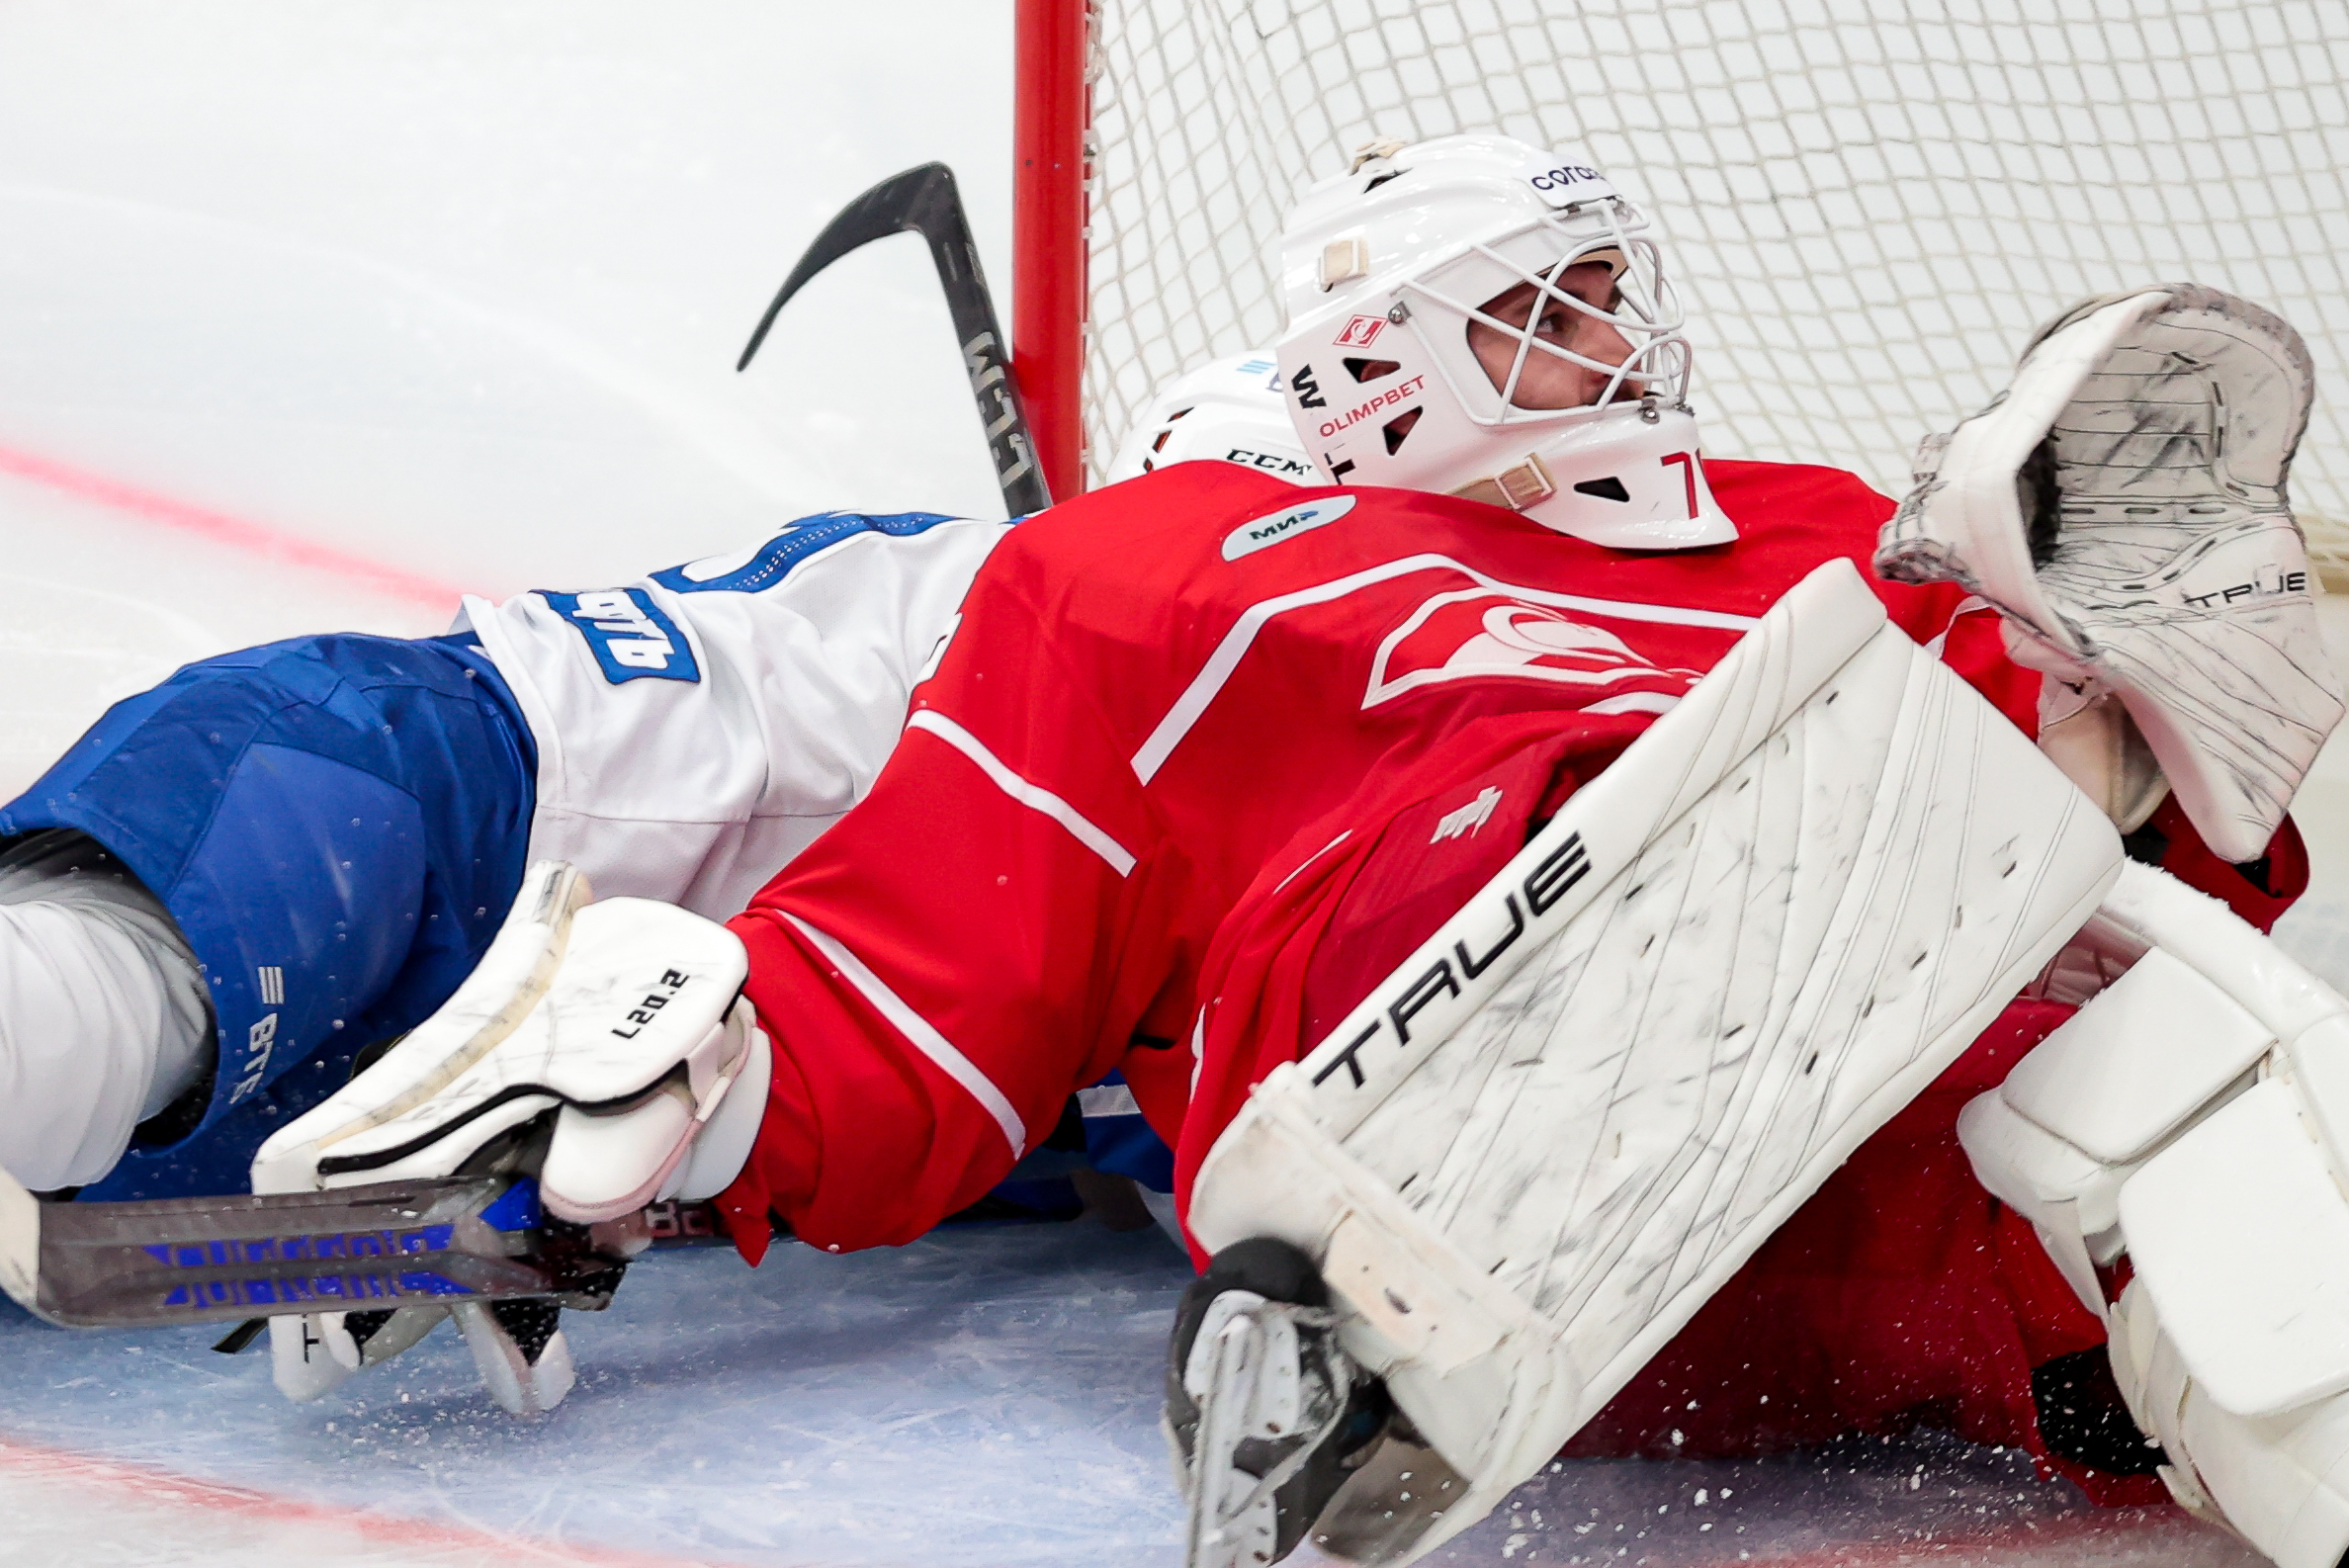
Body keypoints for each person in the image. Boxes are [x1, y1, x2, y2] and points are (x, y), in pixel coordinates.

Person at [252, 134, 2343, 1568]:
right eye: (1554, 300)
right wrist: (680, 1101)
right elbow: (939, 959)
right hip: (1438, 1090)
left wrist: (2159, 823)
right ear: (1375, 352)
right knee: (1608, 804)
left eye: (1616, 287)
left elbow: (2166, 951)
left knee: (2180, 1168)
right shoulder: (1166, 572)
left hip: (1859, 1164)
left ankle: (2098, 762)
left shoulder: (1815, 529)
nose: (1622, 336)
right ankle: (1973, 789)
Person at [0, 507, 1007, 1201]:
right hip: (429, 793)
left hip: (490, 957)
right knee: (71, 1014)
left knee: (60, 1141)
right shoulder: (1093, 641)